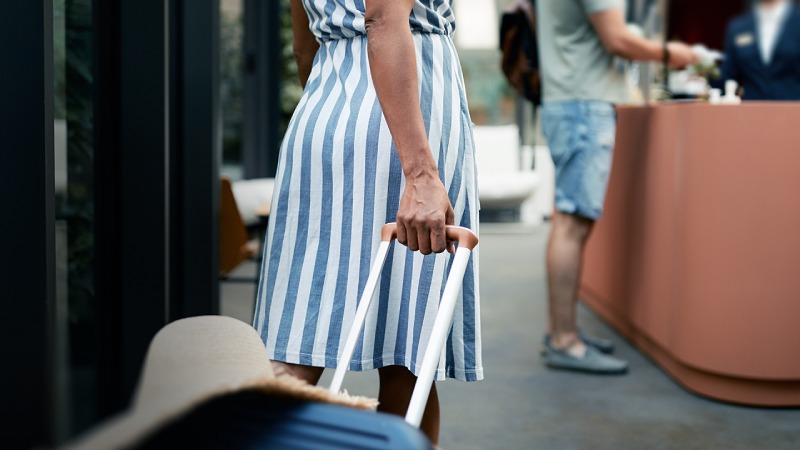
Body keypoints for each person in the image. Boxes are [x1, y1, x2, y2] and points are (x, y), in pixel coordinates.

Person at [252, 0, 481, 445]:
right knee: (408, 352)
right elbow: (383, 17)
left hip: (325, 108)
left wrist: (341, 111)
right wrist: (420, 173)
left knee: (296, 331)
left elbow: (304, 48)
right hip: (407, 120)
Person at [536, 0, 697, 374]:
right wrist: (671, 52)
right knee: (572, 223)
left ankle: (561, 331)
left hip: (567, 100)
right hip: (584, 105)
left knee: (566, 220)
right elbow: (617, 39)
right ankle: (565, 341)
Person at [720, 0, 800, 100]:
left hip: (793, 110)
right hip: (752, 110)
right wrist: (702, 66)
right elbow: (727, 75)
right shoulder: (739, 28)